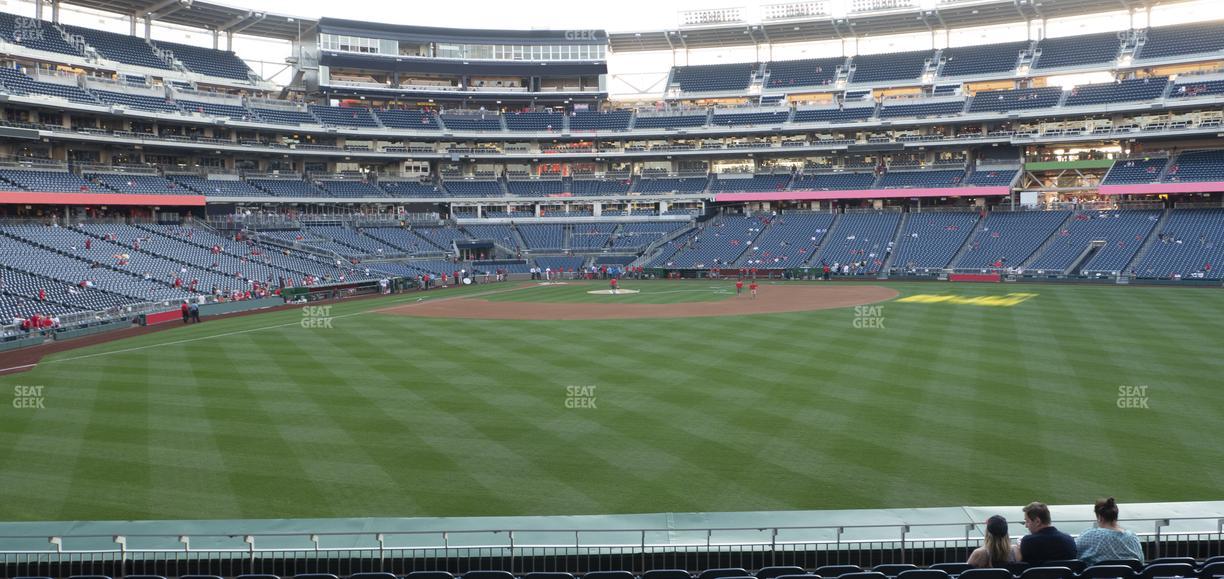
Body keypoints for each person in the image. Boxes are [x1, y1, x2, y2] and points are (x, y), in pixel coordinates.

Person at [1076, 497, 1144, 565]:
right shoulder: (1132, 537)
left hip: (1097, 575)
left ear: (1099, 517)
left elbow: (1076, 555)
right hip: (1127, 575)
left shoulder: (1089, 535)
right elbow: (1141, 561)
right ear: (1116, 516)